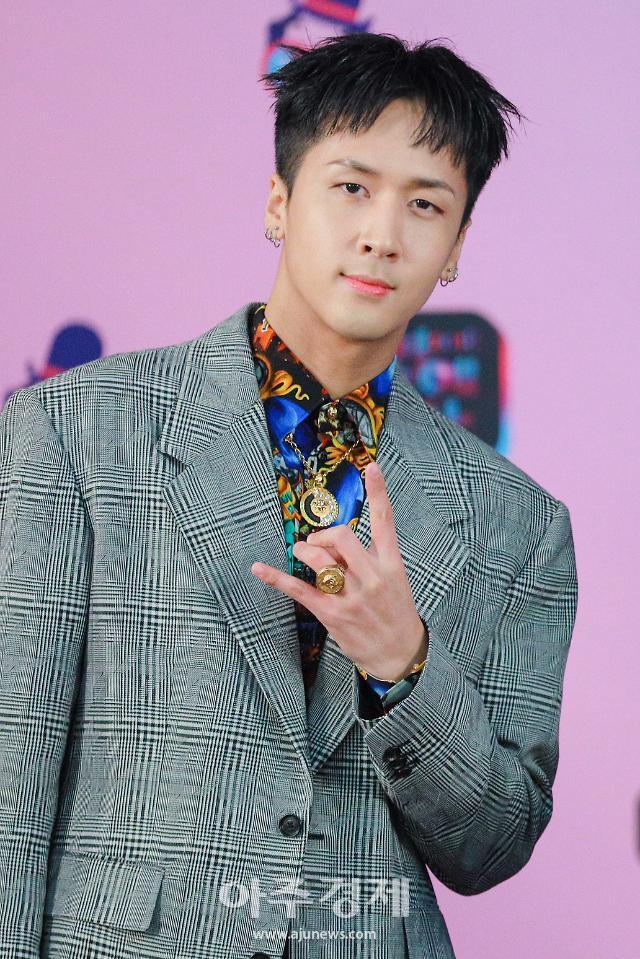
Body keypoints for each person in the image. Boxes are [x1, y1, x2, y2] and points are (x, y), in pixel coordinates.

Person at [0, 32, 578, 959]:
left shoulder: (519, 523)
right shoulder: (77, 432)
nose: (382, 234)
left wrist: (405, 666)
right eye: (351, 187)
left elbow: (495, 843)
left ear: (457, 244)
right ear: (279, 200)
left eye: (424, 204)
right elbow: (12, 771)